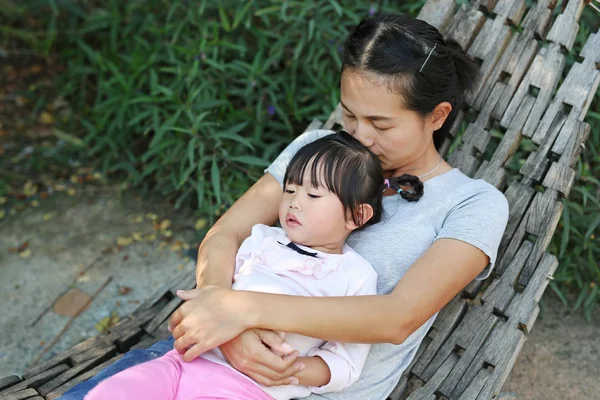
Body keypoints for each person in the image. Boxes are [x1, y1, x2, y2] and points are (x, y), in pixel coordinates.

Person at [59, 13, 509, 400]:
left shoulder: (473, 205)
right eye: (350, 114)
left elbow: (396, 317)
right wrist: (228, 324)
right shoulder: (318, 149)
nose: (358, 135)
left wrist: (244, 312)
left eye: (380, 123)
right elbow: (225, 235)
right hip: (199, 359)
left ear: (437, 115)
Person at [84, 132, 424, 400]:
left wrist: (293, 369)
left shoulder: (354, 275)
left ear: (356, 215)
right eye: (290, 190)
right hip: (184, 360)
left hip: (246, 390)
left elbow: (345, 363)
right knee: (115, 391)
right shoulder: (262, 239)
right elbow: (219, 287)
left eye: (314, 196)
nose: (294, 202)